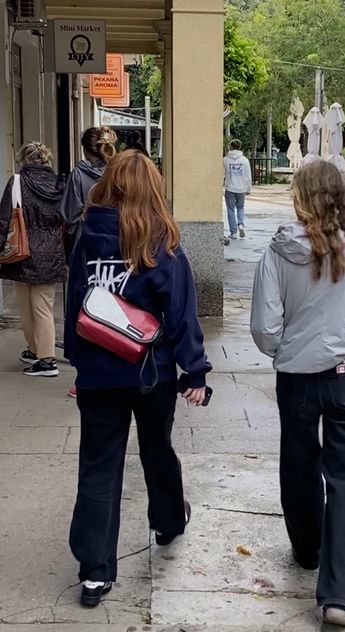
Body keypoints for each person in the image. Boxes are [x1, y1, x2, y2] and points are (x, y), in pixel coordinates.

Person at [250, 160, 345, 627]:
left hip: (297, 376)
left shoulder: (278, 251)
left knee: (298, 464)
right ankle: (338, 595)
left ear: (299, 195)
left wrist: (285, 351)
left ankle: (307, 549)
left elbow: (263, 326)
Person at [64, 149, 211, 608]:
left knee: (98, 465)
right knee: (157, 450)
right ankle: (167, 521)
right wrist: (196, 370)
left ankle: (94, 572)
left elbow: (77, 305)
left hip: (100, 375)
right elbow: (181, 310)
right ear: (153, 188)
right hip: (153, 372)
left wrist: (80, 362)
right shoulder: (162, 239)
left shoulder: (87, 234)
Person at [0, 142, 66, 377]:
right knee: (44, 307)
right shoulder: (59, 184)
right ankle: (41, 354)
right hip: (51, 252)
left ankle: (43, 357)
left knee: (26, 309)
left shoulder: (17, 182)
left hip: (22, 251)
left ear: (24, 160)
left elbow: (4, 219)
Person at [61, 125, 117, 397]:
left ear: (84, 149)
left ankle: (84, 375)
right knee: (117, 304)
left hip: (86, 248)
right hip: (119, 245)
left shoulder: (78, 175)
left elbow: (68, 214)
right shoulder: (119, 172)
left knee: (84, 307)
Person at [223, 139, 252, 239]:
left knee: (230, 209)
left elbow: (222, 175)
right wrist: (248, 188)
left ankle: (233, 232)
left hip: (230, 188)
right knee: (240, 207)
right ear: (240, 147)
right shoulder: (245, 160)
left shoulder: (225, 160)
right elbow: (248, 176)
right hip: (242, 188)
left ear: (230, 147)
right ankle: (240, 224)